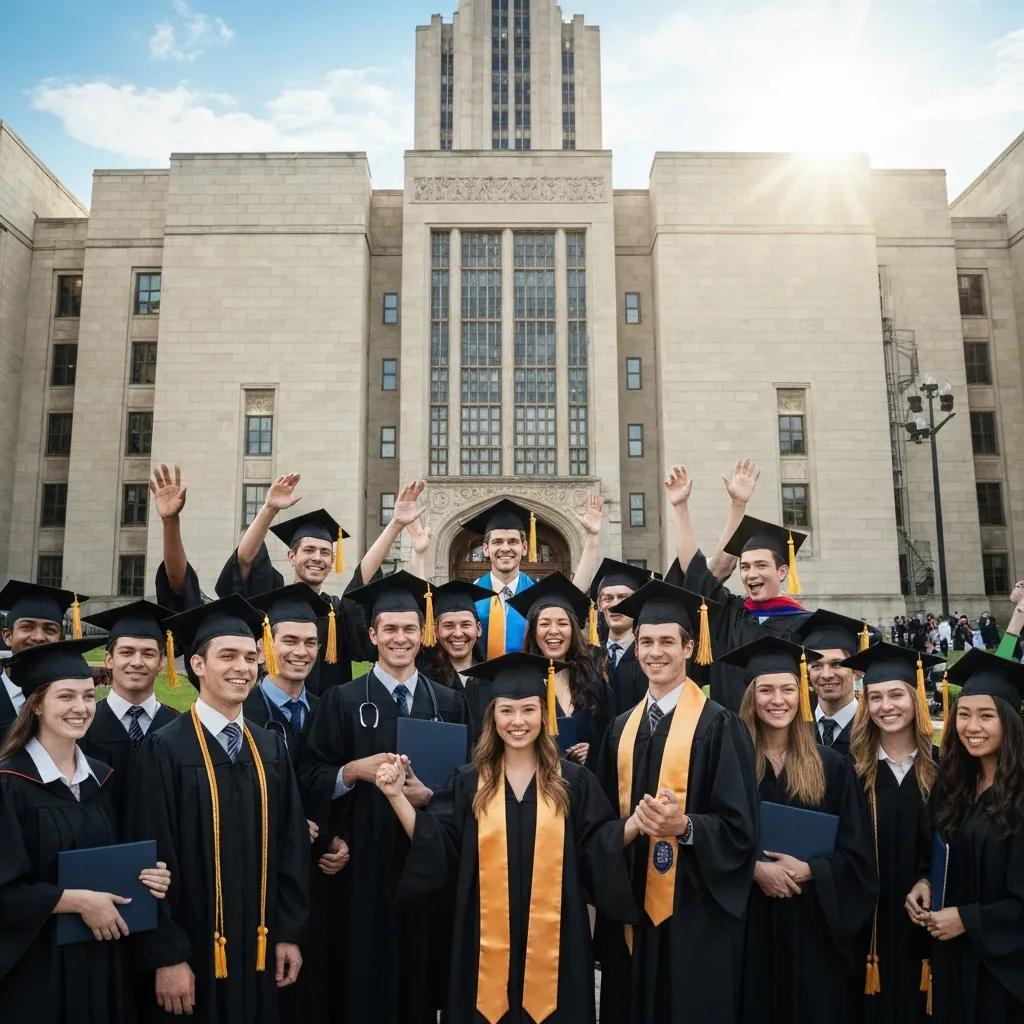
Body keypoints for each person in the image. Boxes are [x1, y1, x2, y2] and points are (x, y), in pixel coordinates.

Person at [373, 651, 636, 1024]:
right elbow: (436, 845)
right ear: (492, 717)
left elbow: (599, 848)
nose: (518, 721)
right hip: (481, 941)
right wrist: (396, 796)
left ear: (544, 715)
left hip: (555, 942)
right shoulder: (467, 782)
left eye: (528, 710)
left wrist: (636, 824)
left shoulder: (573, 782)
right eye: (507, 711)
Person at [123, 595, 310, 1023]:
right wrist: (166, 956)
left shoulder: (270, 747)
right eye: (227, 656)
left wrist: (289, 934)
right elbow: (149, 857)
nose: (242, 668)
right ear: (197, 665)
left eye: (250, 657)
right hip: (192, 954)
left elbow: (291, 846)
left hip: (261, 947)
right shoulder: (163, 748)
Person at [296, 571, 468, 1024]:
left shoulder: (448, 701)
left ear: (423, 633)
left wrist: (429, 796)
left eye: (410, 628)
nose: (400, 638)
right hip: (362, 863)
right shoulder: (341, 699)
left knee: (420, 976)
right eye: (389, 629)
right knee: (363, 979)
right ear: (372, 635)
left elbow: (466, 785)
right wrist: (352, 771)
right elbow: (309, 774)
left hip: (425, 861)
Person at [594, 579, 759, 1023]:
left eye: (667, 641)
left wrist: (684, 827)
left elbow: (742, 829)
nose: (655, 652)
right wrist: (630, 828)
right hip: (630, 908)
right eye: (645, 642)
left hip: (695, 911)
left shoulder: (721, 726)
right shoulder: (619, 730)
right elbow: (596, 827)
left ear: (690, 647)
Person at [0, 638, 171, 1023]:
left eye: (88, 696)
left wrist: (148, 877)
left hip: (101, 962)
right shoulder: (9, 783)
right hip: (35, 970)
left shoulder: (103, 780)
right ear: (37, 705)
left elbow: (116, 860)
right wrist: (76, 901)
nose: (80, 708)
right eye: (66, 697)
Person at [724, 635, 877, 1024]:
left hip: (813, 929)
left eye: (788, 689)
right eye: (766, 690)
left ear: (801, 694)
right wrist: (755, 869)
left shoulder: (831, 766)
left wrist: (812, 871)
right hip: (747, 929)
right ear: (751, 697)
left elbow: (857, 855)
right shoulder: (729, 763)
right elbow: (711, 837)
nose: (778, 700)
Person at [921, 649, 1024, 1023]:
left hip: (1005, 976)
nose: (972, 726)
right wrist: (923, 882)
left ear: (1009, 722)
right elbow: (937, 851)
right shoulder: (955, 786)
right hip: (954, 962)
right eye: (963, 715)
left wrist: (968, 919)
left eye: (986, 716)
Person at [845, 643, 942, 1024]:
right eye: (875, 697)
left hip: (927, 922)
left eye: (896, 694)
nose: (887, 706)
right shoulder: (851, 773)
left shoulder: (945, 768)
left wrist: (928, 878)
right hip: (867, 927)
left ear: (915, 698)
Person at [664, 462, 811, 711]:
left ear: (783, 571)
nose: (751, 574)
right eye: (745, 567)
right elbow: (698, 575)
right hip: (730, 735)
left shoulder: (803, 625)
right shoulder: (732, 615)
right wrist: (680, 508)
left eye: (761, 565)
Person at [461, 496, 604, 659]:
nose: (505, 548)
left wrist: (592, 537)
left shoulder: (537, 592)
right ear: (486, 549)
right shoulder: (471, 592)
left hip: (531, 680)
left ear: (524, 548)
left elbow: (575, 591)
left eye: (513, 541)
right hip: (480, 680)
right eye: (498, 542)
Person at [508, 571, 615, 772]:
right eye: (545, 624)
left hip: (588, 787)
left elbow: (611, 732)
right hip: (538, 786)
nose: (554, 630)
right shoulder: (518, 683)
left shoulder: (592, 679)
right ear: (533, 632)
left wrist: (594, 750)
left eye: (563, 623)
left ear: (573, 631)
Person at [78, 600, 179, 800]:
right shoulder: (83, 726)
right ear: (109, 659)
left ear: (162, 663)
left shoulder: (179, 726)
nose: (136, 662)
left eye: (148, 654)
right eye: (126, 652)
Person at [0, 580, 87, 735]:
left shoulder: (73, 699)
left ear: (60, 639)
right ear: (8, 636)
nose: (39, 637)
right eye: (27, 627)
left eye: (50, 629)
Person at [413, 579, 494, 744]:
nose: (458, 633)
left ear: (478, 629)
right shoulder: (422, 679)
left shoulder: (493, 679)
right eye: (448, 626)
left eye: (465, 625)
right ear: (435, 631)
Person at [792, 609, 872, 757]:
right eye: (816, 666)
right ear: (807, 671)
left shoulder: (874, 728)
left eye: (836, 664)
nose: (826, 675)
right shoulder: (794, 729)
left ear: (856, 670)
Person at [588, 559, 662, 715]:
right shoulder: (588, 657)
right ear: (600, 606)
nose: (615, 604)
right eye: (608, 598)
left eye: (623, 597)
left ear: (637, 603)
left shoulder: (654, 656)